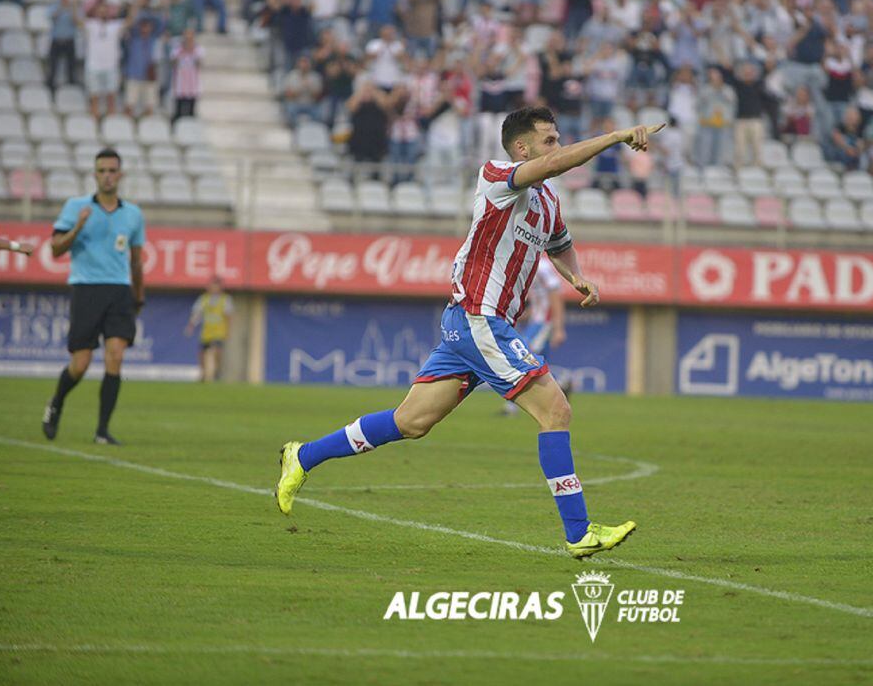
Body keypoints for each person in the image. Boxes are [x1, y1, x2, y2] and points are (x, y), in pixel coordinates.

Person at [276, 108, 662, 558]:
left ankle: (302, 457)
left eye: (558, 139)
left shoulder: (548, 203)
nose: (555, 147)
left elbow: (560, 245)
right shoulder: (498, 177)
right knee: (556, 411)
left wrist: (576, 277)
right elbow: (558, 165)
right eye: (549, 140)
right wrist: (615, 136)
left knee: (411, 422)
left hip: (477, 323)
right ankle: (579, 532)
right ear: (523, 148)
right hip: (480, 316)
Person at [42, 148, 146, 446]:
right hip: (86, 288)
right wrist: (77, 227)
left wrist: (138, 297)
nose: (107, 176)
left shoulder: (133, 214)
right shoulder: (76, 207)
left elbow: (136, 260)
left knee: (116, 356)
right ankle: (56, 402)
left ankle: (102, 430)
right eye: (102, 171)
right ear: (94, 174)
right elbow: (55, 248)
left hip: (119, 289)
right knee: (81, 363)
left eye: (112, 170)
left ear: (120, 175)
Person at [503, 255, 569, 417]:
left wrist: (558, 328)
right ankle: (562, 385)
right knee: (536, 363)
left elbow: (555, 297)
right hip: (537, 321)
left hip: (544, 323)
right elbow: (540, 301)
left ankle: (511, 408)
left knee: (521, 358)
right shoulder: (528, 268)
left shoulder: (542, 268)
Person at [184, 277, 233, 382]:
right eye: (212, 286)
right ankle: (203, 373)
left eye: (216, 286)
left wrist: (228, 331)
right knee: (202, 353)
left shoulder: (225, 299)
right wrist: (191, 326)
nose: (214, 288)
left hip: (219, 331)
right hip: (206, 331)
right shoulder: (203, 299)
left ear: (221, 287)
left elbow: (228, 316)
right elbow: (197, 314)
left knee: (217, 351)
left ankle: (217, 371)